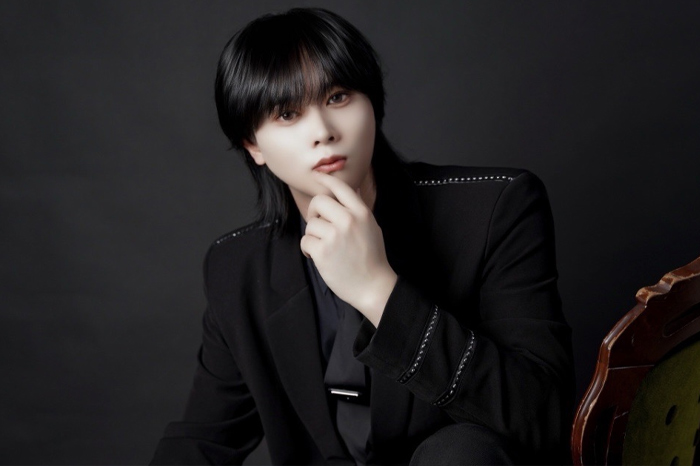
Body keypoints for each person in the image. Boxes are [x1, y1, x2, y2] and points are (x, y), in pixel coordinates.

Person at [151, 7, 574, 466]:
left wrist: (378, 290)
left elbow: (543, 419)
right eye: (287, 113)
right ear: (253, 144)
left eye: (338, 97)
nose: (323, 132)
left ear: (371, 103)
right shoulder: (237, 266)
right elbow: (203, 439)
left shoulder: (493, 209)